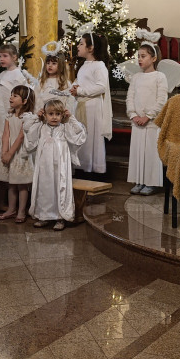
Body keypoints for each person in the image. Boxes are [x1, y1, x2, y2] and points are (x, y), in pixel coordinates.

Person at [25, 99, 86, 230]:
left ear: (62, 115)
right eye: (51, 114)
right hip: (44, 166)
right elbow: (26, 128)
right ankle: (44, 216)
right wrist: (37, 116)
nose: (54, 117)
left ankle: (60, 217)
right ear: (45, 115)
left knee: (59, 188)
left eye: (58, 114)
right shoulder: (41, 127)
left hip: (60, 166)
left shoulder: (65, 128)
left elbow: (79, 132)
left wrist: (71, 118)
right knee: (44, 189)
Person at [126, 42, 168, 195]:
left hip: (152, 122)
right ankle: (138, 181)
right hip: (137, 121)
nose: (139, 59)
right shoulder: (136, 77)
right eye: (138, 56)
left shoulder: (160, 77)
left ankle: (151, 182)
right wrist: (133, 114)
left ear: (154, 58)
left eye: (143, 56)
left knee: (151, 152)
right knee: (137, 152)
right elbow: (130, 97)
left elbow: (162, 99)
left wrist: (148, 116)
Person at [70, 32, 112, 178]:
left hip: (93, 108)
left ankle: (92, 170)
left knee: (91, 139)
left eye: (81, 43)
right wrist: (74, 87)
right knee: (82, 139)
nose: (78, 46)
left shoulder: (99, 66)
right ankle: (82, 167)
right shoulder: (84, 65)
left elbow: (101, 87)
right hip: (82, 106)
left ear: (91, 48)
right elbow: (80, 81)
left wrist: (80, 90)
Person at [0, 85, 35, 223]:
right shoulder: (9, 116)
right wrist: (4, 152)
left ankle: (21, 210)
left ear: (24, 101)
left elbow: (20, 137)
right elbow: (6, 134)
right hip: (9, 152)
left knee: (21, 184)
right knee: (11, 183)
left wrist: (11, 153)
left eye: (15, 96)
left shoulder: (28, 117)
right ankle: (11, 209)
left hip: (20, 153)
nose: (11, 97)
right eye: (11, 95)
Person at [35, 47, 76, 115]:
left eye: (54, 63)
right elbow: (36, 99)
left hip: (59, 117)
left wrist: (66, 113)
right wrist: (38, 112)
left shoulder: (65, 83)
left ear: (61, 66)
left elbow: (69, 100)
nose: (50, 66)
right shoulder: (41, 82)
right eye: (48, 63)